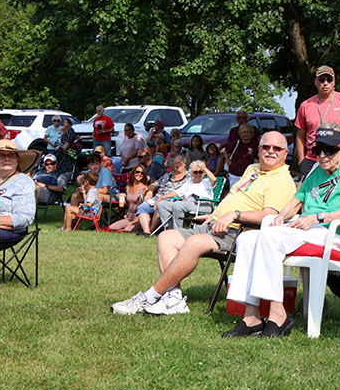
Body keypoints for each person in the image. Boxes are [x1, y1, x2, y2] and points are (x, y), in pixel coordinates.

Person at [110, 131, 295, 316]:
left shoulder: (282, 180)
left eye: (276, 148)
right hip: (215, 225)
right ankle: (174, 298)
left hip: (240, 233)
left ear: (285, 153)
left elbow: (270, 216)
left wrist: (234, 215)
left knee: (194, 242)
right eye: (266, 147)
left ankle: (149, 297)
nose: (270, 151)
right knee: (166, 237)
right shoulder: (253, 169)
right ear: (259, 149)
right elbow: (236, 197)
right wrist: (216, 214)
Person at [221, 123, 340, 338]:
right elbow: (296, 203)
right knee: (247, 239)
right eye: (318, 149)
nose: (322, 156)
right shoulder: (316, 171)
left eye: (329, 150)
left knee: (269, 237)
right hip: (310, 231)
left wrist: (318, 217)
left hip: (335, 235)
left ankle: (278, 315)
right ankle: (251, 317)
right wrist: (279, 217)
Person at [294, 65, 340, 175]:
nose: (325, 83)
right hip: (313, 160)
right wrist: (301, 161)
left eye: (329, 79)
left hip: (339, 160)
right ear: (315, 82)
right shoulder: (305, 105)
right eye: (321, 80)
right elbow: (300, 136)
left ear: (334, 81)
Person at [0, 140, 38, 241]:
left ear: (17, 160)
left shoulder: (23, 182)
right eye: (1, 155)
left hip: (9, 231)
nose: (7, 159)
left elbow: (24, 218)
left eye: (12, 155)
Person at [136, 153, 190, 235]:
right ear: (172, 165)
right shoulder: (168, 175)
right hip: (157, 198)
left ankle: (151, 231)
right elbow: (154, 184)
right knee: (142, 207)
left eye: (179, 162)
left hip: (172, 200)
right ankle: (146, 231)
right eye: (175, 163)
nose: (177, 165)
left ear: (184, 163)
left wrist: (161, 198)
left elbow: (179, 193)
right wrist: (150, 191)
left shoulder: (188, 177)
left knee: (161, 205)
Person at [154, 160, 216, 230]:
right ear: (191, 173)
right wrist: (161, 198)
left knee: (177, 205)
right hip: (187, 204)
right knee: (162, 204)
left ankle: (178, 231)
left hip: (202, 204)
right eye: (195, 172)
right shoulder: (189, 183)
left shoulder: (207, 182)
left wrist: (204, 168)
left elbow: (214, 179)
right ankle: (169, 227)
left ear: (204, 172)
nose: (198, 174)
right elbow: (176, 193)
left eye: (200, 172)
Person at [107, 164, 149, 232]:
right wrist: (121, 199)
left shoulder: (145, 188)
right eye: (137, 172)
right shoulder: (128, 187)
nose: (139, 174)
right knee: (111, 228)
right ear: (133, 173)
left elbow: (146, 207)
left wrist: (136, 220)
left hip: (138, 219)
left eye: (142, 173)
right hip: (128, 217)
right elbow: (128, 205)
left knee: (126, 231)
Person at [220, 116, 259, 188]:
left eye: (248, 132)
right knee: (234, 191)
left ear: (251, 133)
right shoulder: (236, 143)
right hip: (235, 173)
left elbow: (258, 157)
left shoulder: (254, 145)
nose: (246, 134)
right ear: (240, 133)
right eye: (244, 132)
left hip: (248, 174)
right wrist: (228, 160)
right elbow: (225, 150)